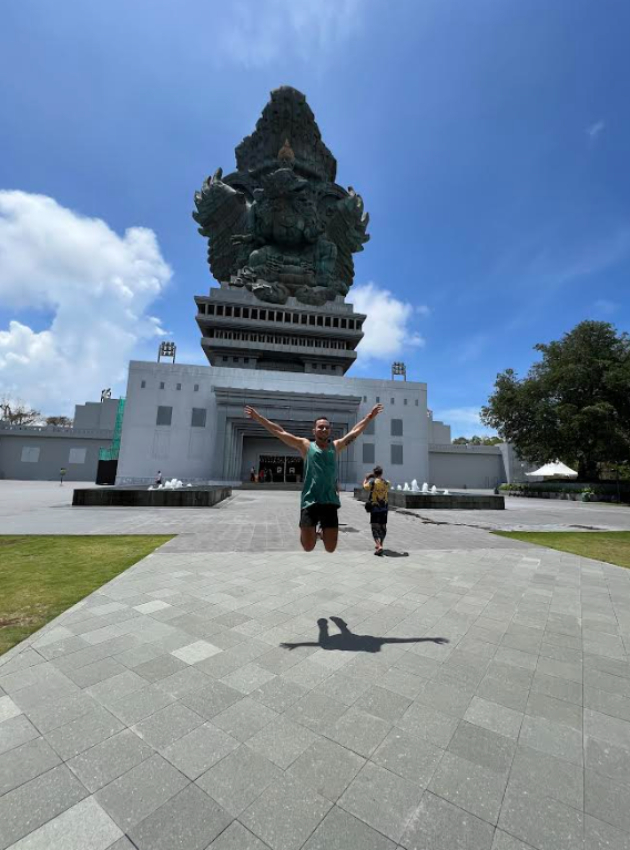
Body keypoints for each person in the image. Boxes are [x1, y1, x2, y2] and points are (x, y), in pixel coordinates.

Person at [244, 403, 384, 552]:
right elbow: (280, 431)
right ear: (314, 430)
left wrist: (369, 417)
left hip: (329, 501)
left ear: (330, 430)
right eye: (320, 427)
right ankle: (311, 534)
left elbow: (355, 432)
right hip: (310, 501)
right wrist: (258, 418)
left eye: (326, 427)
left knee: (330, 548)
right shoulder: (305, 445)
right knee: (308, 547)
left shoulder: (335, 446)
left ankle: (322, 532)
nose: (324, 429)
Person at [363, 465, 390, 556]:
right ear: (382, 473)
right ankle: (381, 543)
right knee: (383, 527)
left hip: (375, 508)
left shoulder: (372, 482)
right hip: (384, 508)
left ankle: (379, 546)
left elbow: (365, 487)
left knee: (374, 527)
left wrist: (366, 479)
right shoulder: (387, 482)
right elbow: (387, 486)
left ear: (374, 473)